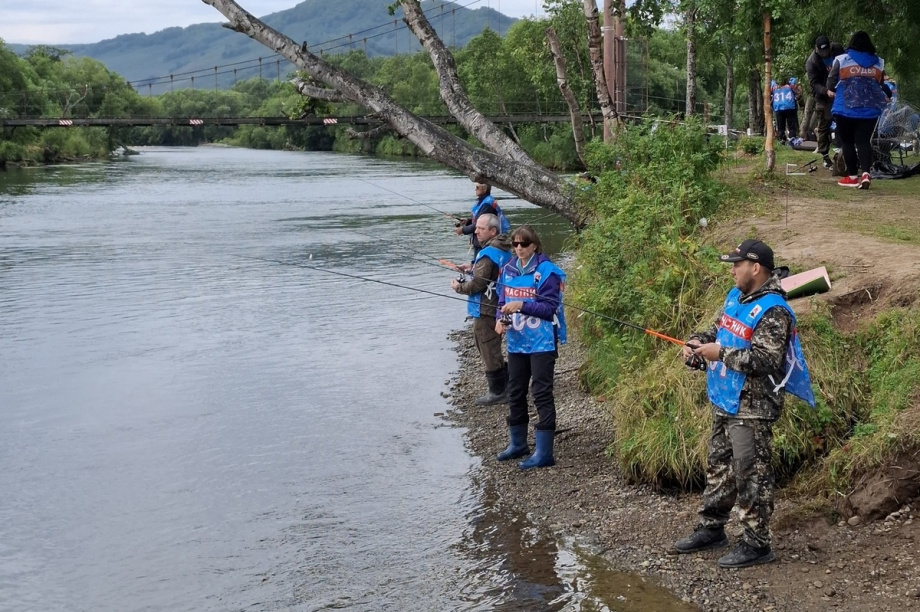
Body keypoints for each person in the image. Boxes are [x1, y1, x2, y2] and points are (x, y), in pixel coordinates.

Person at [674, 240, 815, 569]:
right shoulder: (734, 296)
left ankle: (757, 543)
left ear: (756, 268)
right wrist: (696, 344)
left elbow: (767, 359)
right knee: (719, 468)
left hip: (753, 407)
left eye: (737, 264)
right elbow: (715, 330)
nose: (732, 270)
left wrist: (720, 354)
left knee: (751, 474)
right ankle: (711, 528)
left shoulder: (774, 310)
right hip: (725, 398)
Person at [494, 225, 566, 470]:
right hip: (517, 342)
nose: (519, 248)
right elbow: (502, 301)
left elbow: (549, 308)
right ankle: (518, 444)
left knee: (541, 392)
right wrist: (499, 319)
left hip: (542, 342)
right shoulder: (508, 269)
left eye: (523, 244)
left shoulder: (547, 271)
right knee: (515, 391)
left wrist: (521, 305)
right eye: (515, 244)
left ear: (534, 245)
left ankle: (544, 453)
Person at [451, 214, 513, 406]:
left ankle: (498, 391)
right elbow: (490, 273)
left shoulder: (488, 253)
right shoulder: (503, 248)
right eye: (476, 227)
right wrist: (472, 267)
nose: (476, 231)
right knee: (492, 346)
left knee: (487, 348)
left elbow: (477, 284)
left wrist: (458, 287)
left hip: (486, 308)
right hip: (498, 305)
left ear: (493, 231)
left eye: (481, 229)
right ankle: (508, 384)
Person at [827, 31, 892, 189]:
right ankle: (866, 174)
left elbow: (830, 83)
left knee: (847, 142)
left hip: (845, 108)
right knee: (864, 141)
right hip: (870, 109)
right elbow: (881, 84)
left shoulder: (842, 59)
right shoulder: (878, 62)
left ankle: (852, 177)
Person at [454, 183, 511, 265]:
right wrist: (468, 221)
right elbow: (479, 221)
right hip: (480, 242)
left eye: (477, 187)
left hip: (484, 242)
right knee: (476, 265)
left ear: (484, 189)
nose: (475, 189)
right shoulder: (484, 201)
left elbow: (479, 225)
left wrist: (463, 230)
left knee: (480, 265)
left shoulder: (487, 204)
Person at [805, 35, 839, 167]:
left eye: (827, 50)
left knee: (844, 121)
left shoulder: (837, 49)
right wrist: (826, 91)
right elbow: (814, 83)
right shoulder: (811, 62)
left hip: (840, 92)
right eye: (822, 51)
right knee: (824, 126)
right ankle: (825, 155)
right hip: (823, 97)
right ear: (817, 49)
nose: (825, 54)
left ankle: (845, 151)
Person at [771, 76, 800, 144]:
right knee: (791, 125)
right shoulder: (790, 85)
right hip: (790, 107)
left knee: (780, 126)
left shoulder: (774, 86)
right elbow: (797, 90)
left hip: (778, 108)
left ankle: (782, 138)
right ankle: (792, 138)